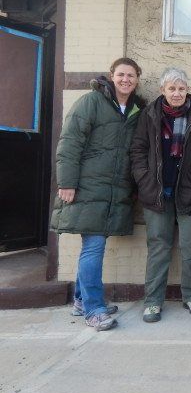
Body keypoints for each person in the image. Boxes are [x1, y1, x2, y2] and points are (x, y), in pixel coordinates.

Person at [51, 57, 145, 331]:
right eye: (121, 74)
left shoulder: (137, 108)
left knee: (93, 246)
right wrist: (66, 182)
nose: (126, 79)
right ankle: (94, 309)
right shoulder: (91, 102)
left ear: (137, 79)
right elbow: (69, 143)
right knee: (93, 247)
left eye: (131, 75)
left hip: (114, 191)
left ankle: (82, 300)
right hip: (88, 187)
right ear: (111, 76)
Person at [130, 68, 191, 323]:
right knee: (159, 247)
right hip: (156, 192)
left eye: (181, 88)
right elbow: (138, 150)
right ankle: (153, 302)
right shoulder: (149, 115)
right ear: (162, 91)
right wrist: (145, 180)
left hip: (190, 193)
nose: (177, 93)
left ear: (187, 90)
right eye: (171, 88)